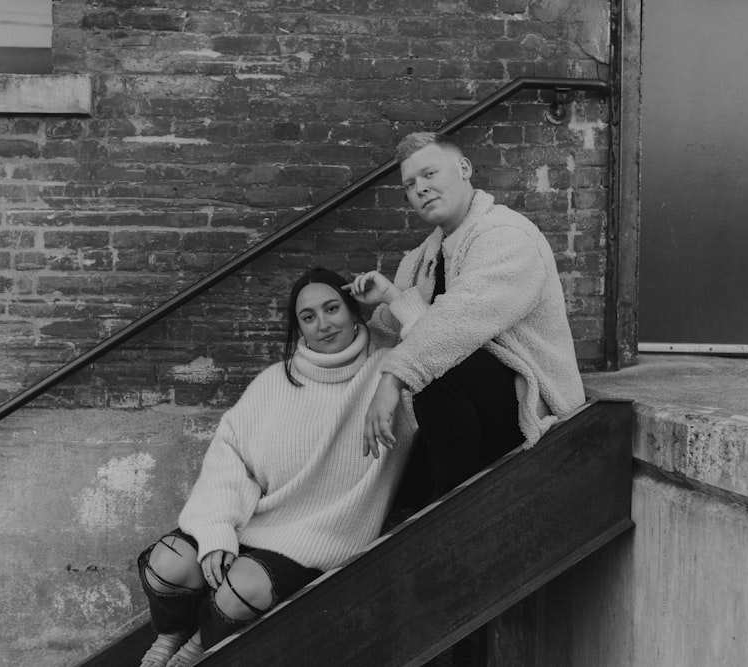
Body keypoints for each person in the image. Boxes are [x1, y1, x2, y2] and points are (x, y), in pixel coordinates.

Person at [135, 268, 416, 667]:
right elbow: (229, 458)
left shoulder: (394, 368)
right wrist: (217, 532)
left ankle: (195, 648)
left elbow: (447, 344)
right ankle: (169, 634)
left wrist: (391, 295)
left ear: (355, 313)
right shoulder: (275, 382)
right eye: (308, 316)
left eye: (332, 308)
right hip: (255, 521)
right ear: (299, 328)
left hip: (319, 536)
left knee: (242, 590)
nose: (323, 323)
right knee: (169, 563)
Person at [345, 131, 586, 501]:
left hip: (532, 409)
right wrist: (380, 303)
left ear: (464, 168)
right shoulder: (420, 260)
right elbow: (395, 336)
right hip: (465, 413)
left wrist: (391, 380)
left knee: (438, 375)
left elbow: (457, 323)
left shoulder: (507, 236)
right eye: (410, 184)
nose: (420, 188)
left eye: (430, 174)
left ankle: (452, 513)